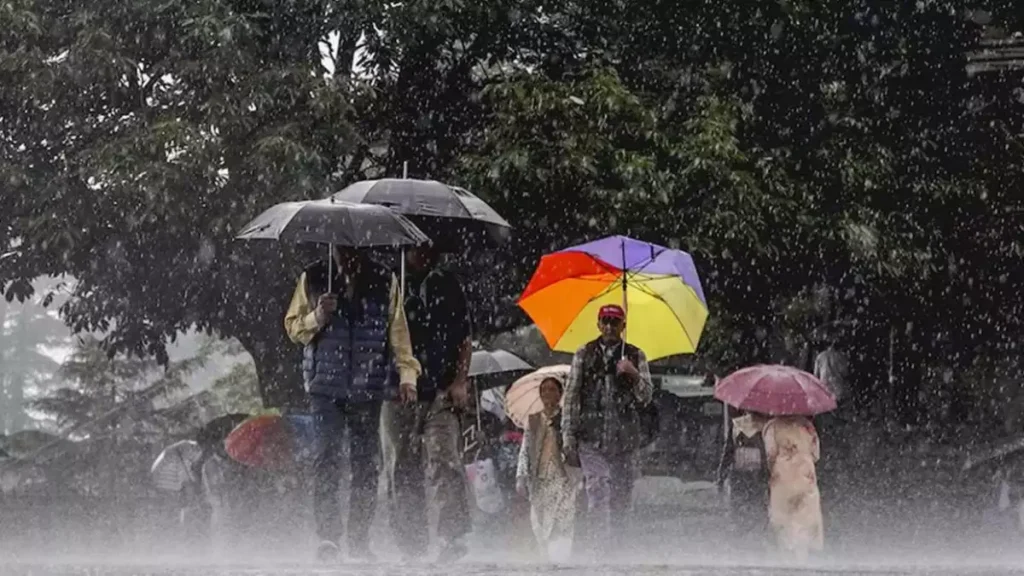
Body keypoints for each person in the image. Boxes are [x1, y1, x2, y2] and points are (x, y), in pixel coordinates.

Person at [284, 246, 421, 562]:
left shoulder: (385, 280)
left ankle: (359, 539)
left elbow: (398, 332)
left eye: (354, 250)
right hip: (325, 389)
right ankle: (328, 538)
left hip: (367, 388)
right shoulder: (314, 276)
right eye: (343, 250)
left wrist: (407, 376)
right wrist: (318, 316)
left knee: (365, 464)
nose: (348, 257)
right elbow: (293, 328)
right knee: (326, 459)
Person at [380, 245, 473, 563]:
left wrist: (460, 380)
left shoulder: (448, 284)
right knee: (400, 466)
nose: (426, 252)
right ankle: (410, 542)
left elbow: (464, 336)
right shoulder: (389, 282)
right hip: (395, 390)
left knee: (444, 459)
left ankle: (452, 535)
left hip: (441, 390)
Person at [561, 304, 653, 554]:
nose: (610, 326)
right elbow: (571, 396)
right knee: (597, 488)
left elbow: (646, 398)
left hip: (624, 439)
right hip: (591, 436)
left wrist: (633, 374)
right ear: (598, 324)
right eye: (605, 321)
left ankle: (618, 548)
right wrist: (567, 435)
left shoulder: (636, 355)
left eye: (615, 321)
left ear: (623, 325)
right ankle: (599, 547)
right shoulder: (583, 353)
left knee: (622, 496)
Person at [516, 377, 579, 561]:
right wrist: (521, 476)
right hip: (540, 477)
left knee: (563, 517)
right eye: (544, 390)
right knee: (539, 520)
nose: (547, 394)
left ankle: (561, 555)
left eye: (552, 390)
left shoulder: (567, 419)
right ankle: (545, 556)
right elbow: (525, 450)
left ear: (560, 394)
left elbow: (573, 445)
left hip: (562, 475)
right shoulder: (534, 421)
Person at [763, 415, 824, 561]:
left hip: (783, 476)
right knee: (804, 517)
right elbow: (816, 454)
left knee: (783, 519)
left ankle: (786, 558)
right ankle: (802, 556)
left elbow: (770, 453)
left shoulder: (772, 427)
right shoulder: (808, 427)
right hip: (805, 474)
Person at [716, 407, 770, 548]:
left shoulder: (737, 424)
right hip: (759, 474)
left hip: (740, 473)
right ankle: (757, 539)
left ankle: (741, 537)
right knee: (759, 506)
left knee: (739, 507)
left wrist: (721, 475)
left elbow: (728, 451)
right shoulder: (767, 426)